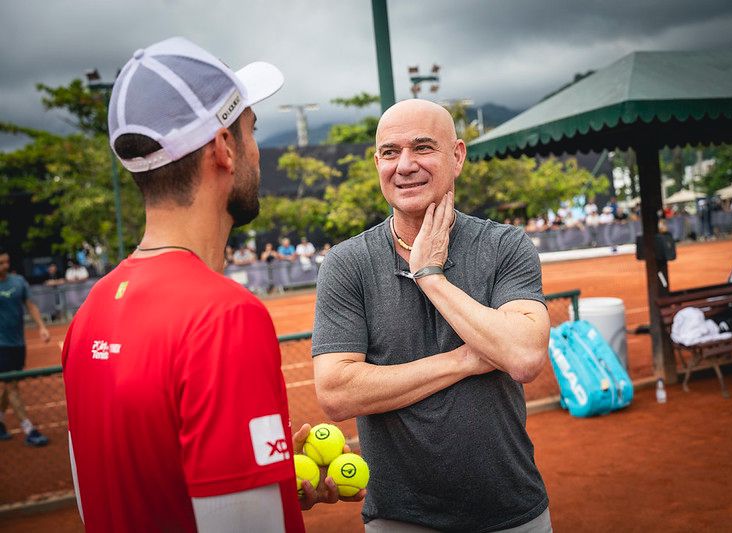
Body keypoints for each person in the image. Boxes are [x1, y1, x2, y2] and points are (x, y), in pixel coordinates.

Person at [61, 37, 360, 532]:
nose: (256, 151)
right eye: (251, 131)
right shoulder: (224, 317)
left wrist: (259, 472)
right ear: (224, 149)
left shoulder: (90, 311)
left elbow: (101, 499)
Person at [312, 99, 552, 532]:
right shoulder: (346, 264)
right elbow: (336, 393)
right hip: (398, 517)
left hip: (512, 512)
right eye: (390, 152)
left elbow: (523, 357)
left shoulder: (505, 247)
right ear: (378, 163)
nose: (405, 165)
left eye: (423, 147)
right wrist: (464, 361)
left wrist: (430, 275)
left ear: (457, 156)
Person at [0, 248, 51, 446]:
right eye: (1, 263)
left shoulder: (18, 282)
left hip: (18, 343)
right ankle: (29, 429)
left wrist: (42, 327)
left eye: (6, 262)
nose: (5, 266)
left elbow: (30, 305)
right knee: (12, 386)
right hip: (1, 345)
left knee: (9, 384)